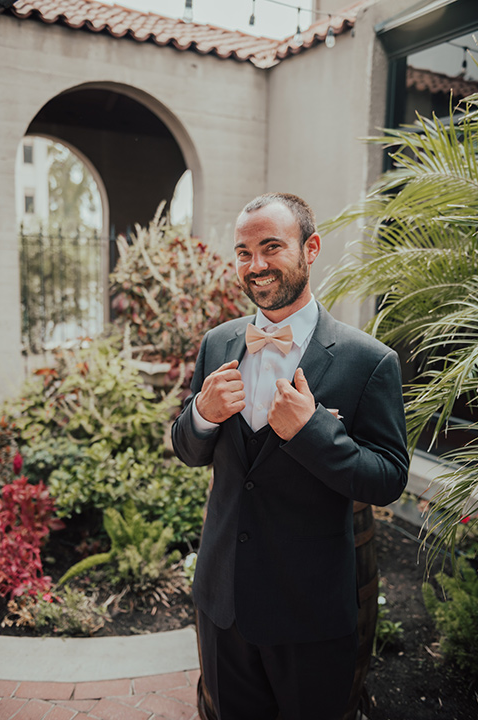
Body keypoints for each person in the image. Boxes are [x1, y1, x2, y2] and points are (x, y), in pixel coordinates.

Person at [172, 192, 409, 720]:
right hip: (222, 602)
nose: (255, 265)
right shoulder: (218, 343)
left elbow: (389, 478)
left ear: (311, 248)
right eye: (243, 251)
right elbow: (187, 448)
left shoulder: (369, 362)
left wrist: (311, 433)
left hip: (310, 614)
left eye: (271, 247)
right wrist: (203, 416)